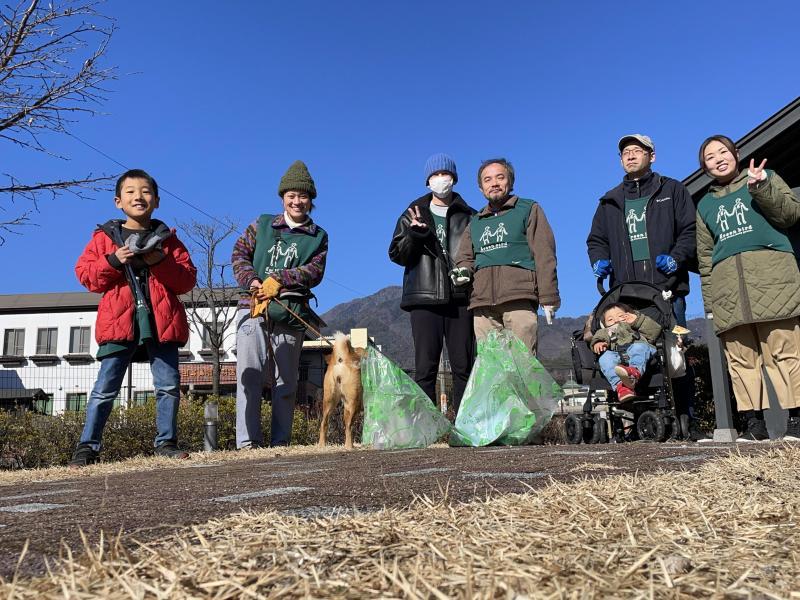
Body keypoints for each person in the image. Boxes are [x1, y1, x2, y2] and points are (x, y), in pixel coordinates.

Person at [70, 169, 198, 467]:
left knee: (167, 386)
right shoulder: (104, 238)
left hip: (162, 322)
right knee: (105, 389)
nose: (138, 196)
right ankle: (87, 447)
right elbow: (86, 276)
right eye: (130, 191)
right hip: (118, 322)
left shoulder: (168, 240)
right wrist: (114, 260)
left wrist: (160, 261)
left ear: (156, 201)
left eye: (145, 191)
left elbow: (186, 282)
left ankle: (166, 443)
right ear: (118, 201)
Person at [586, 134, 706, 439]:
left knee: (675, 356)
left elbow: (690, 230)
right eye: (625, 152)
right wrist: (599, 261)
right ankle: (637, 424)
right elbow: (596, 241)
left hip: (666, 291)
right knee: (626, 354)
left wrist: (677, 259)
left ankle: (685, 419)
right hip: (625, 295)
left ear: (651, 156)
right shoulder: (610, 201)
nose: (630, 156)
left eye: (636, 151)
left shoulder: (673, 190)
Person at [696, 135, 800, 442]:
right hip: (728, 292)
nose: (718, 158)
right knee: (741, 360)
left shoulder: (763, 178)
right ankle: (754, 426)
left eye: (723, 152)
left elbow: (790, 214)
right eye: (710, 156)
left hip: (773, 282)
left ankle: (796, 422)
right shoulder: (704, 205)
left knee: (785, 352)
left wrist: (761, 188)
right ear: (704, 166)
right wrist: (710, 305)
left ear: (736, 153)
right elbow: (704, 258)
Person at [232, 160, 328, 448]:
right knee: (248, 376)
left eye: (303, 196)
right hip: (253, 308)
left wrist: (280, 279)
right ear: (282, 198)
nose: (297, 201)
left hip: (290, 312)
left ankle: (280, 442)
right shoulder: (261, 225)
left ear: (311, 200)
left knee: (285, 382)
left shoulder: (318, 237)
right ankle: (247, 443)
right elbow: (239, 254)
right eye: (291, 195)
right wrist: (252, 281)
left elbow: (315, 271)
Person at [388, 153, 476, 411]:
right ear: (427, 181)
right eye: (435, 175)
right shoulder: (412, 212)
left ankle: (464, 424)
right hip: (424, 296)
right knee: (426, 367)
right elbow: (396, 254)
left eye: (445, 174)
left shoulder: (469, 215)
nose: (441, 179)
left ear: (454, 179)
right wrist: (414, 236)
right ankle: (426, 425)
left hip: (460, 298)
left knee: (464, 366)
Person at [455, 158, 559, 355]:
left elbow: (544, 254)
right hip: (482, 304)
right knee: (490, 367)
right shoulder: (475, 222)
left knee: (524, 364)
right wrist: (462, 271)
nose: (494, 183)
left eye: (499, 177)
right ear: (480, 188)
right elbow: (465, 257)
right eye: (487, 180)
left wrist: (549, 296)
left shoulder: (528, 209)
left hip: (519, 297)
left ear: (510, 182)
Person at [591, 303, 662, 401]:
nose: (616, 320)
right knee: (605, 358)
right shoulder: (606, 331)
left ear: (629, 315)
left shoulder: (634, 325)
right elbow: (598, 337)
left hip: (640, 350)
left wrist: (637, 321)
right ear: (604, 324)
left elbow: (654, 331)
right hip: (617, 355)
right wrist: (598, 343)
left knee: (639, 347)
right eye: (610, 319)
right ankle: (621, 386)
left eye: (620, 316)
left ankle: (633, 373)